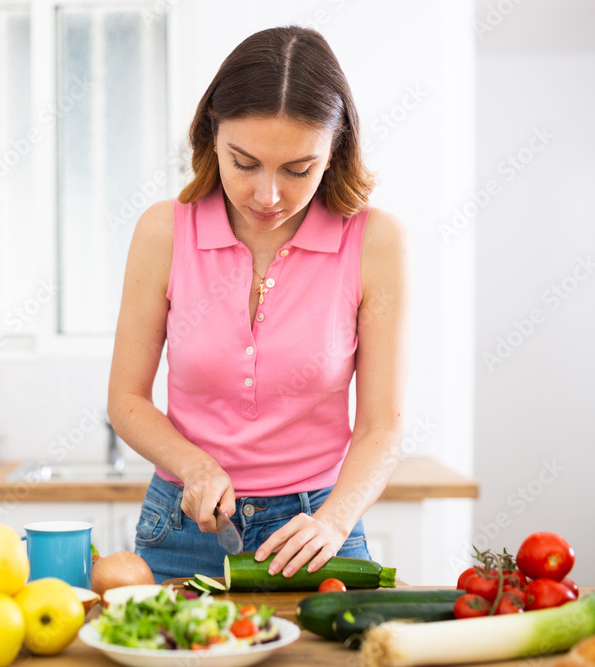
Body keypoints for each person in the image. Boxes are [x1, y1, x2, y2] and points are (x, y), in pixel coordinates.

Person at [107, 26, 409, 584]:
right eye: (244, 163)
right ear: (210, 137)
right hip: (183, 525)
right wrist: (195, 465)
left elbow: (380, 430)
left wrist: (334, 523)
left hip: (315, 529)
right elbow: (125, 398)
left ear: (334, 151)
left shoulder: (374, 241)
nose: (267, 196)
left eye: (298, 170)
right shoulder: (164, 232)